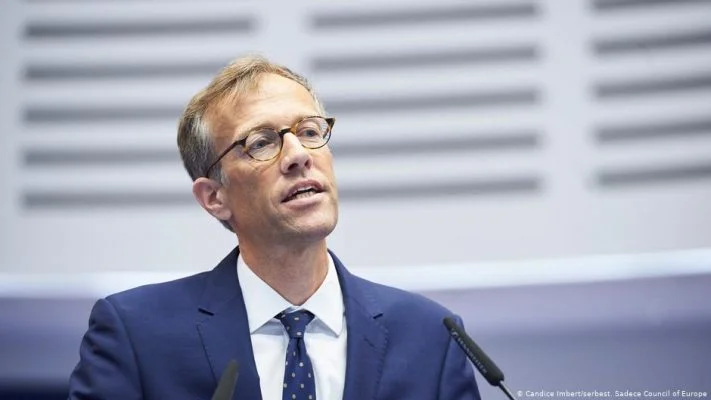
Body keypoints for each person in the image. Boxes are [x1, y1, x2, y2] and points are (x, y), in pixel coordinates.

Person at [68, 55, 481, 400]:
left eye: (310, 131)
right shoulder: (137, 335)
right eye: (261, 142)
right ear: (214, 197)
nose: (299, 154)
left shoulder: (431, 337)